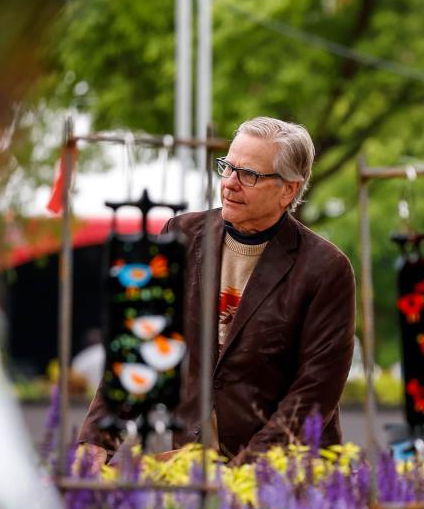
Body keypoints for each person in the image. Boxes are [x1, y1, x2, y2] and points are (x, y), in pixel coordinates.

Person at [77, 117, 356, 461]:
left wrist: (243, 473)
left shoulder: (326, 269)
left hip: (288, 475)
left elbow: (314, 392)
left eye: (249, 175)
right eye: (227, 167)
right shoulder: (180, 235)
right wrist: (96, 442)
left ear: (289, 189)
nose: (230, 184)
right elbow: (139, 346)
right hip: (193, 463)